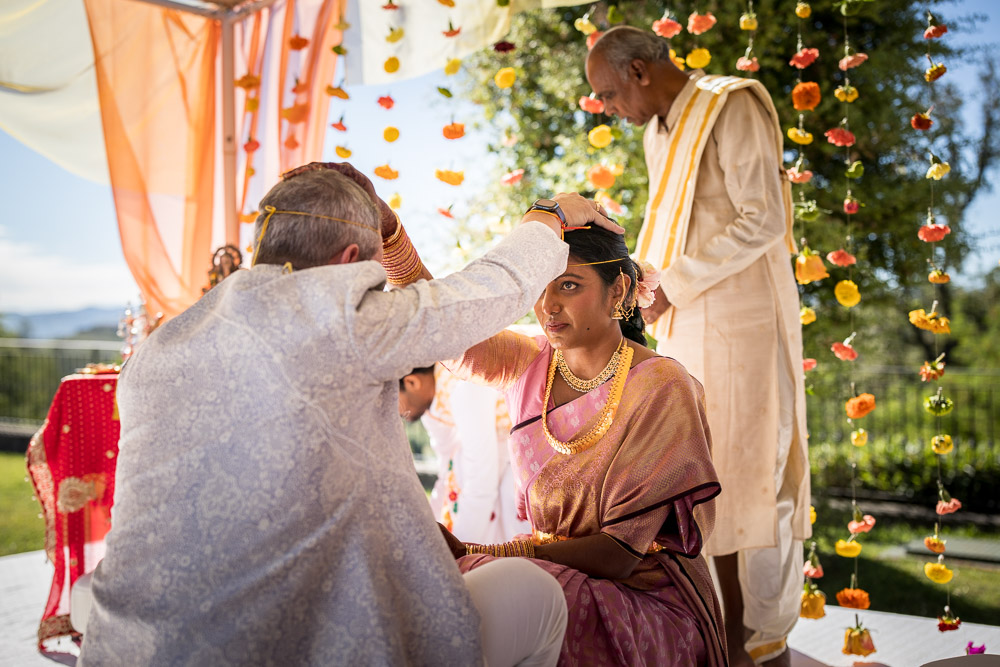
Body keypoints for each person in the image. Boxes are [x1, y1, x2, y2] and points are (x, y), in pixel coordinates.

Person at [79, 162, 621, 666]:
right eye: (373, 277)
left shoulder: (158, 347)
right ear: (345, 265)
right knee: (536, 594)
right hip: (271, 647)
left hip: (126, 642)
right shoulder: (343, 322)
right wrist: (549, 214)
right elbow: (493, 287)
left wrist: (382, 231)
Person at [395, 221, 727, 666]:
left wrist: (483, 550)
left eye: (569, 285)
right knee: (432, 591)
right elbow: (442, 329)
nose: (548, 305)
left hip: (643, 594)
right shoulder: (530, 362)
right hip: (550, 567)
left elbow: (619, 555)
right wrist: (389, 232)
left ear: (619, 291)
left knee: (503, 596)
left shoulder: (662, 385)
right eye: (540, 288)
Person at [586, 26, 812, 667]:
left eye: (607, 93)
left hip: (740, 325)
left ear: (638, 71)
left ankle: (751, 644)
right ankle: (709, 636)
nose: (608, 109)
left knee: (739, 473)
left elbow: (762, 216)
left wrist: (672, 283)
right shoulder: (661, 130)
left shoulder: (730, 102)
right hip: (684, 321)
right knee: (692, 472)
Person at [400, 364, 532, 542]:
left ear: (411, 382)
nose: (393, 414)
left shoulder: (464, 386)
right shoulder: (429, 408)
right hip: (490, 470)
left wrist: (462, 549)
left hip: (520, 464)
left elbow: (481, 482)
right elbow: (447, 468)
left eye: (391, 401)